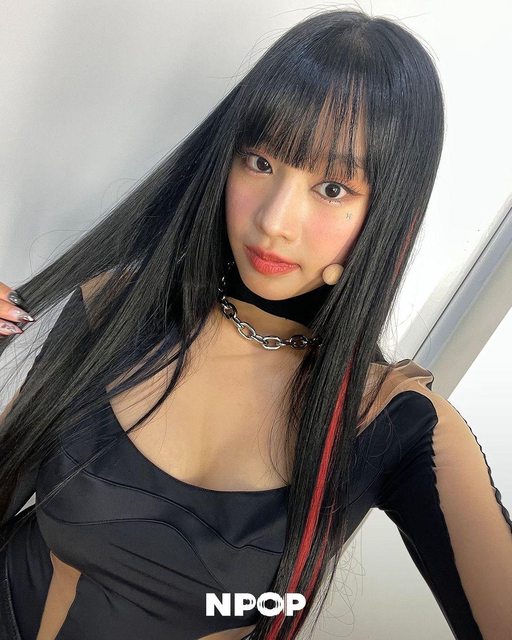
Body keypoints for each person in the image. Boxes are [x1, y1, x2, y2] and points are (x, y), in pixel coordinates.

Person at [0, 7, 511, 640]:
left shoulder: (392, 423)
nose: (273, 220)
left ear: (386, 212)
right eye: (260, 161)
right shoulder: (117, 306)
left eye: (333, 188)